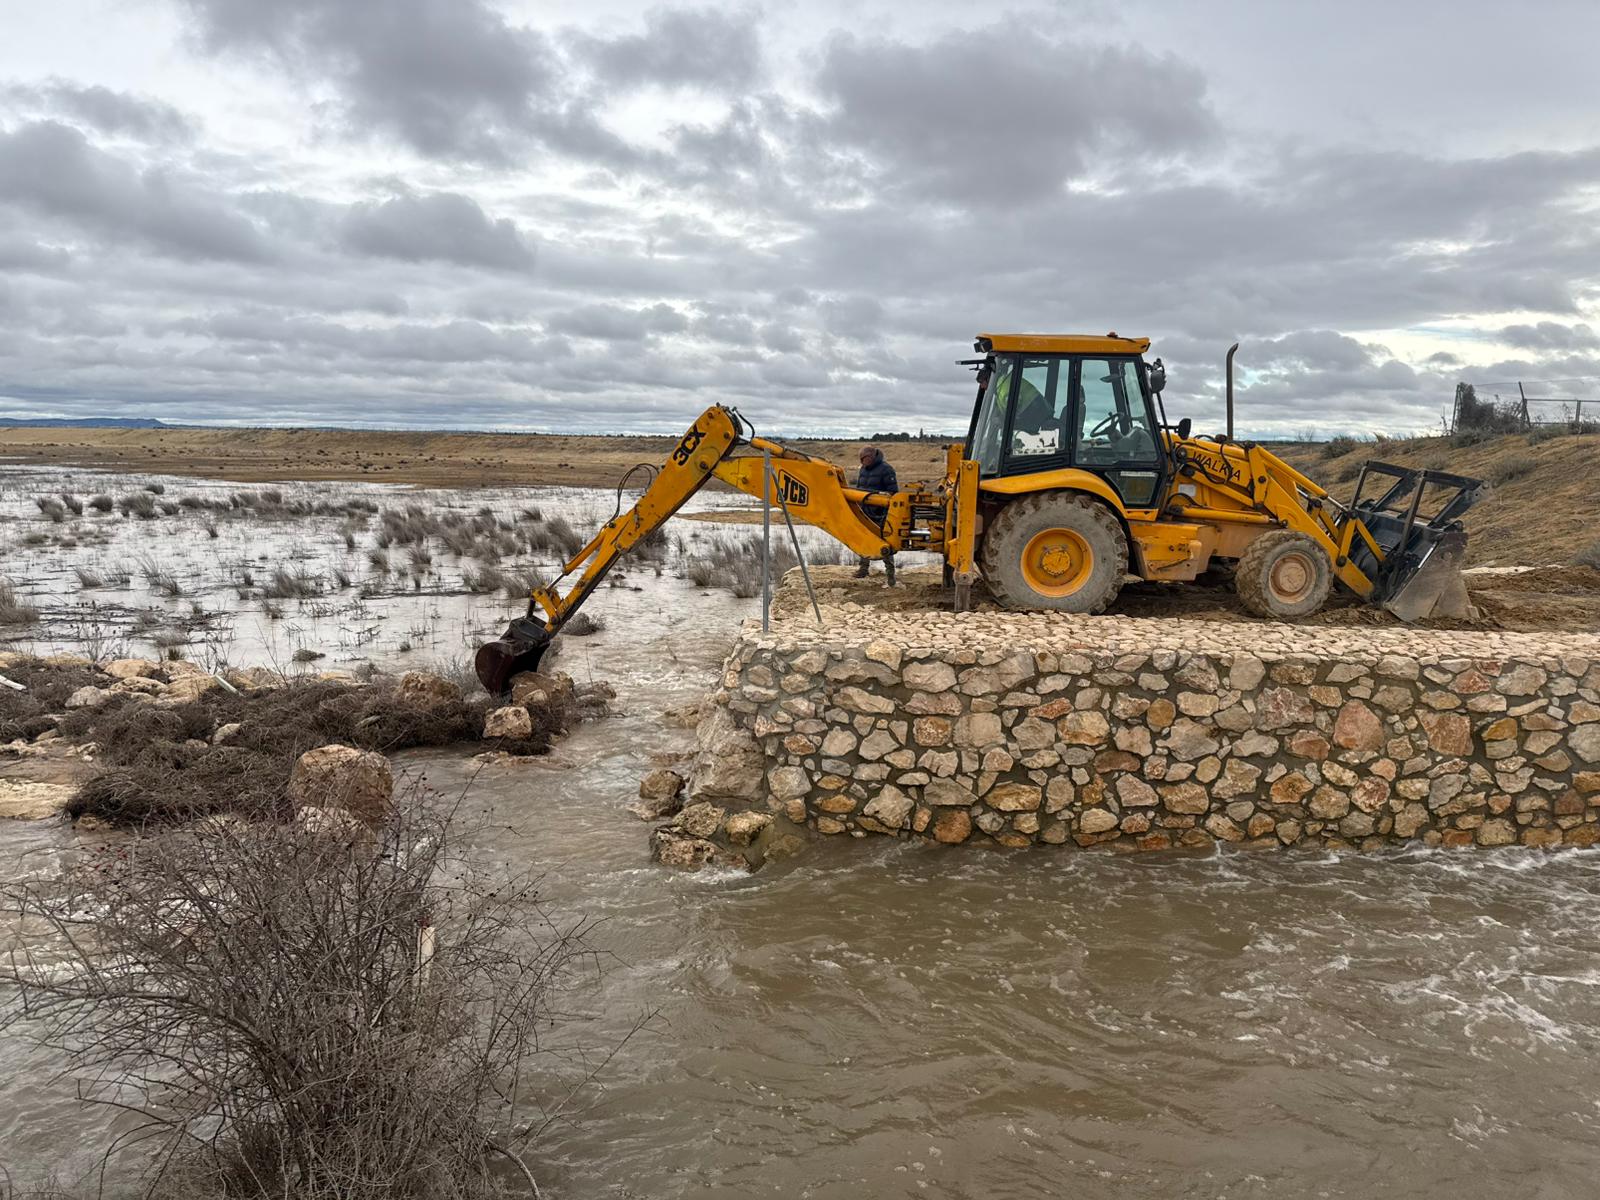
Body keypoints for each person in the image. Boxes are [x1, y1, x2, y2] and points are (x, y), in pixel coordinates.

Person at [853, 445, 898, 583]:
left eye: (864, 459)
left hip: (881, 514)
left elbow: (893, 492)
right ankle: (863, 569)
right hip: (865, 511)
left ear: (871, 457)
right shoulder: (863, 470)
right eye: (861, 459)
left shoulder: (886, 469)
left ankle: (890, 575)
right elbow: (859, 488)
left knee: (883, 542)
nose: (862, 462)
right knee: (863, 539)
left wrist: (881, 504)